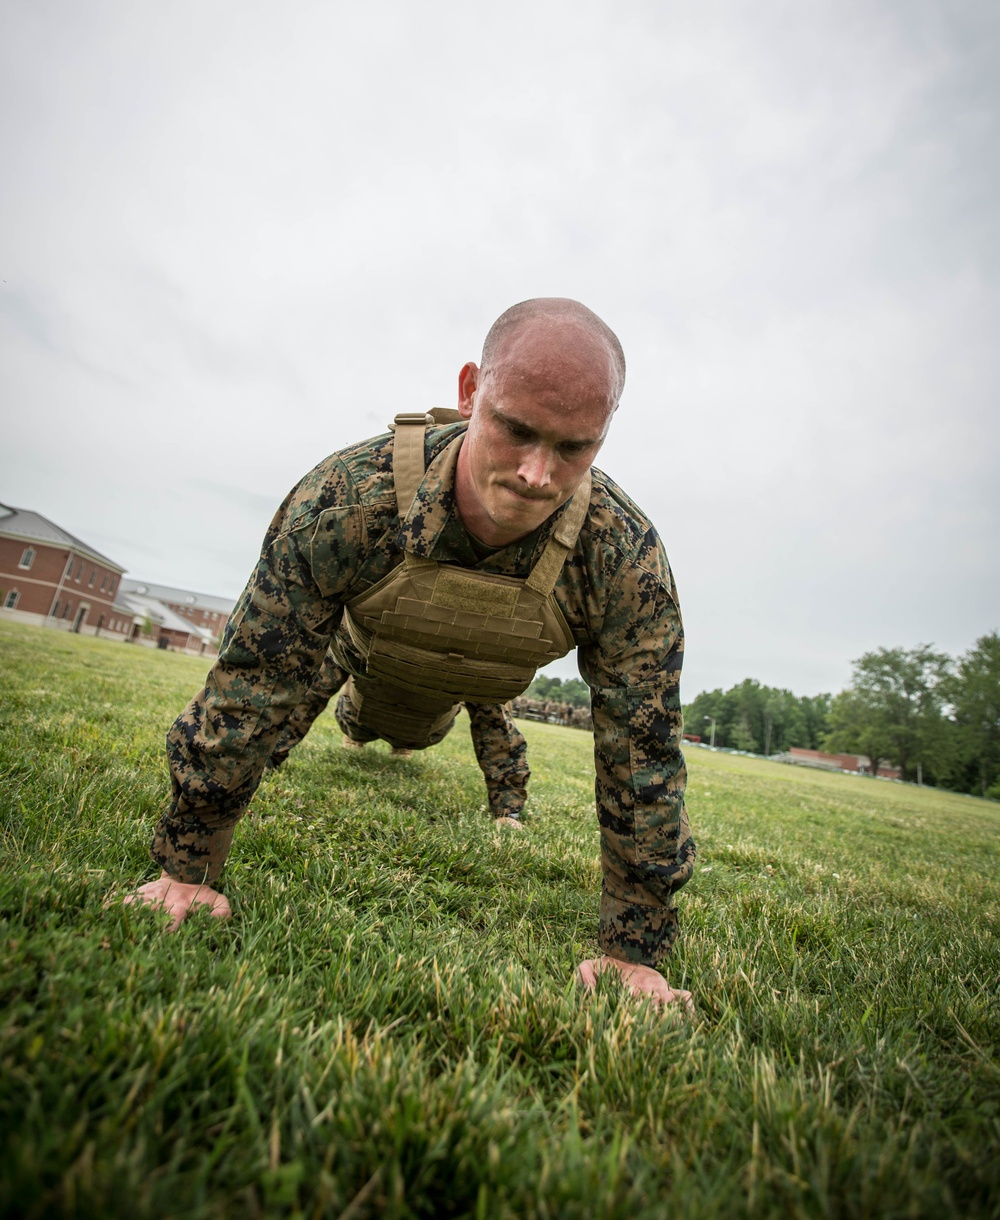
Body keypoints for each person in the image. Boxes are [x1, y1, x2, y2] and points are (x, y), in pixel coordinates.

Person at [124, 298, 695, 1010]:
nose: (537, 475)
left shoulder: (623, 558)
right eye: (515, 430)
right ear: (468, 393)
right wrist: (188, 863)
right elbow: (259, 676)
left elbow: (642, 750)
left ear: (605, 434)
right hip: (365, 674)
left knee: (450, 713)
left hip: (458, 700)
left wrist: (635, 953)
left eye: (573, 448)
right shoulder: (348, 499)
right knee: (342, 704)